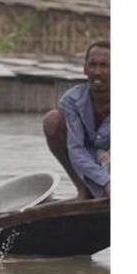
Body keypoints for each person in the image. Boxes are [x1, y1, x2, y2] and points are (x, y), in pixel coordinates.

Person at [42, 40, 110, 199]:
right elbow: (76, 149)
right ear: (85, 69)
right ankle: (82, 189)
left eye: (104, 65)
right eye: (92, 65)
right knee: (52, 120)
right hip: (87, 163)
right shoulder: (72, 100)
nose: (97, 72)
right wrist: (106, 182)